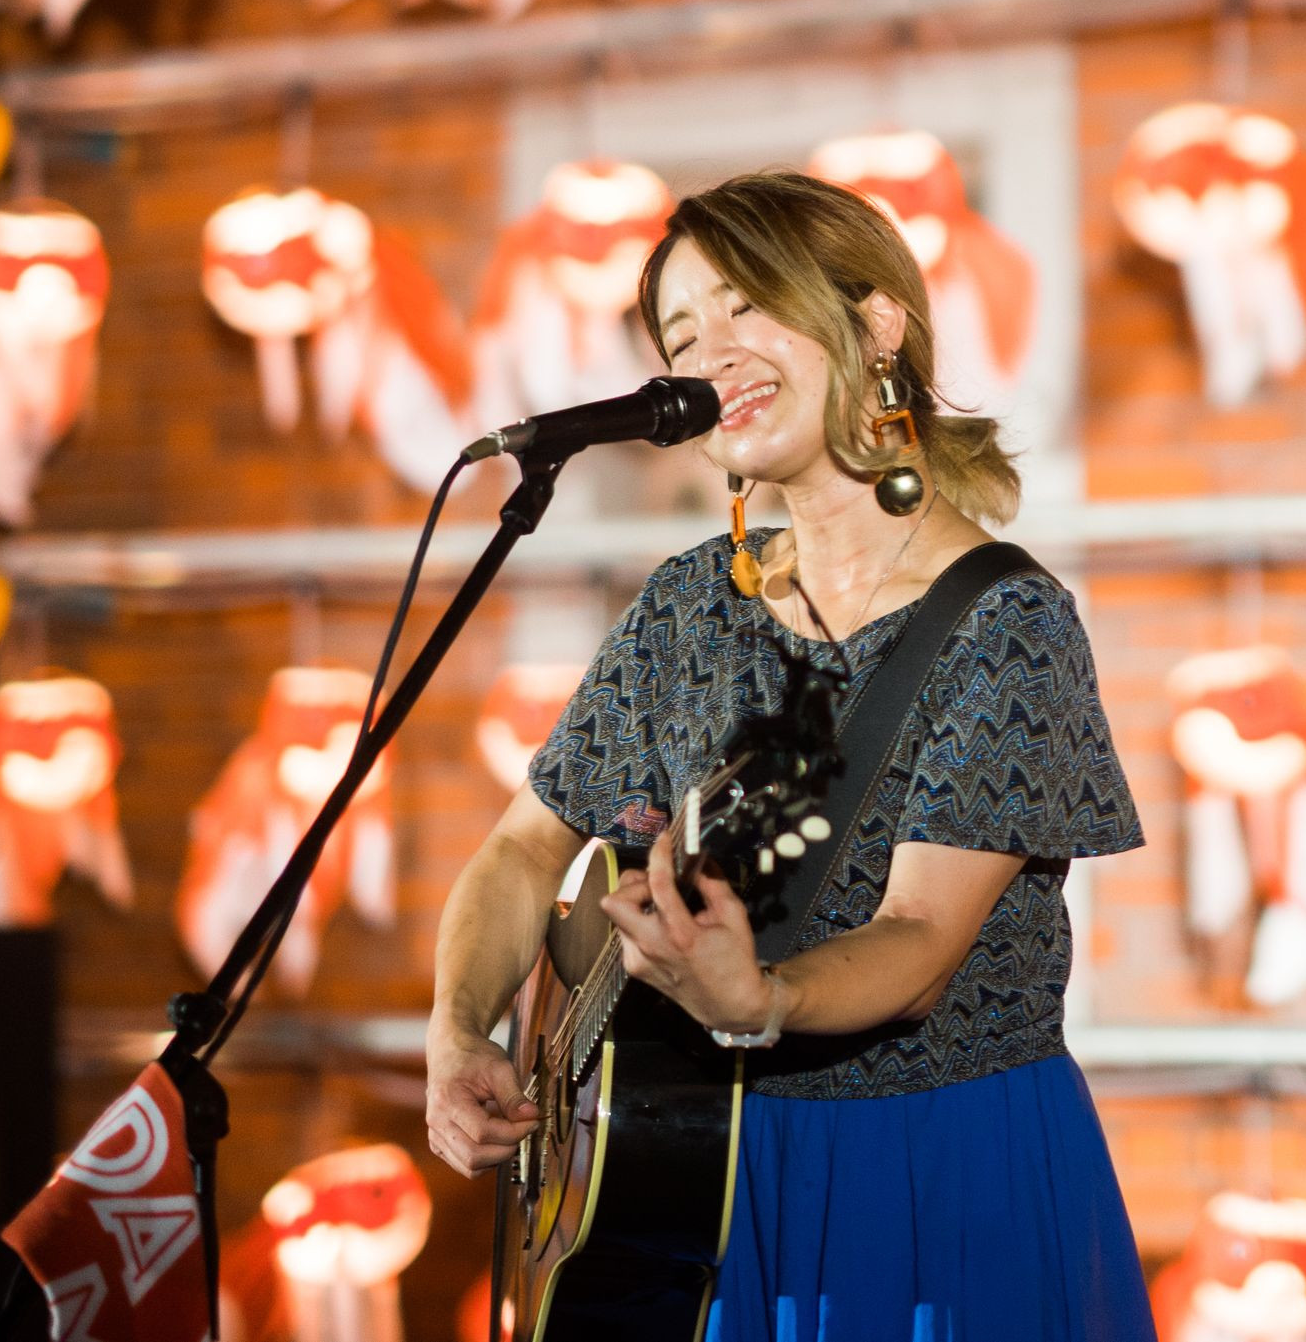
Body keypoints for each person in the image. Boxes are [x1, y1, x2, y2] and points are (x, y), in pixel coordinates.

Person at [424, 168, 1151, 1338]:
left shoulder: (1006, 622)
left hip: (930, 1171)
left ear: (877, 326)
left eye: (745, 305)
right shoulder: (686, 608)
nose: (708, 354)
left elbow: (917, 945)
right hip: (698, 1178)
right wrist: (458, 1028)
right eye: (680, 335)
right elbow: (520, 852)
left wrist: (757, 996)